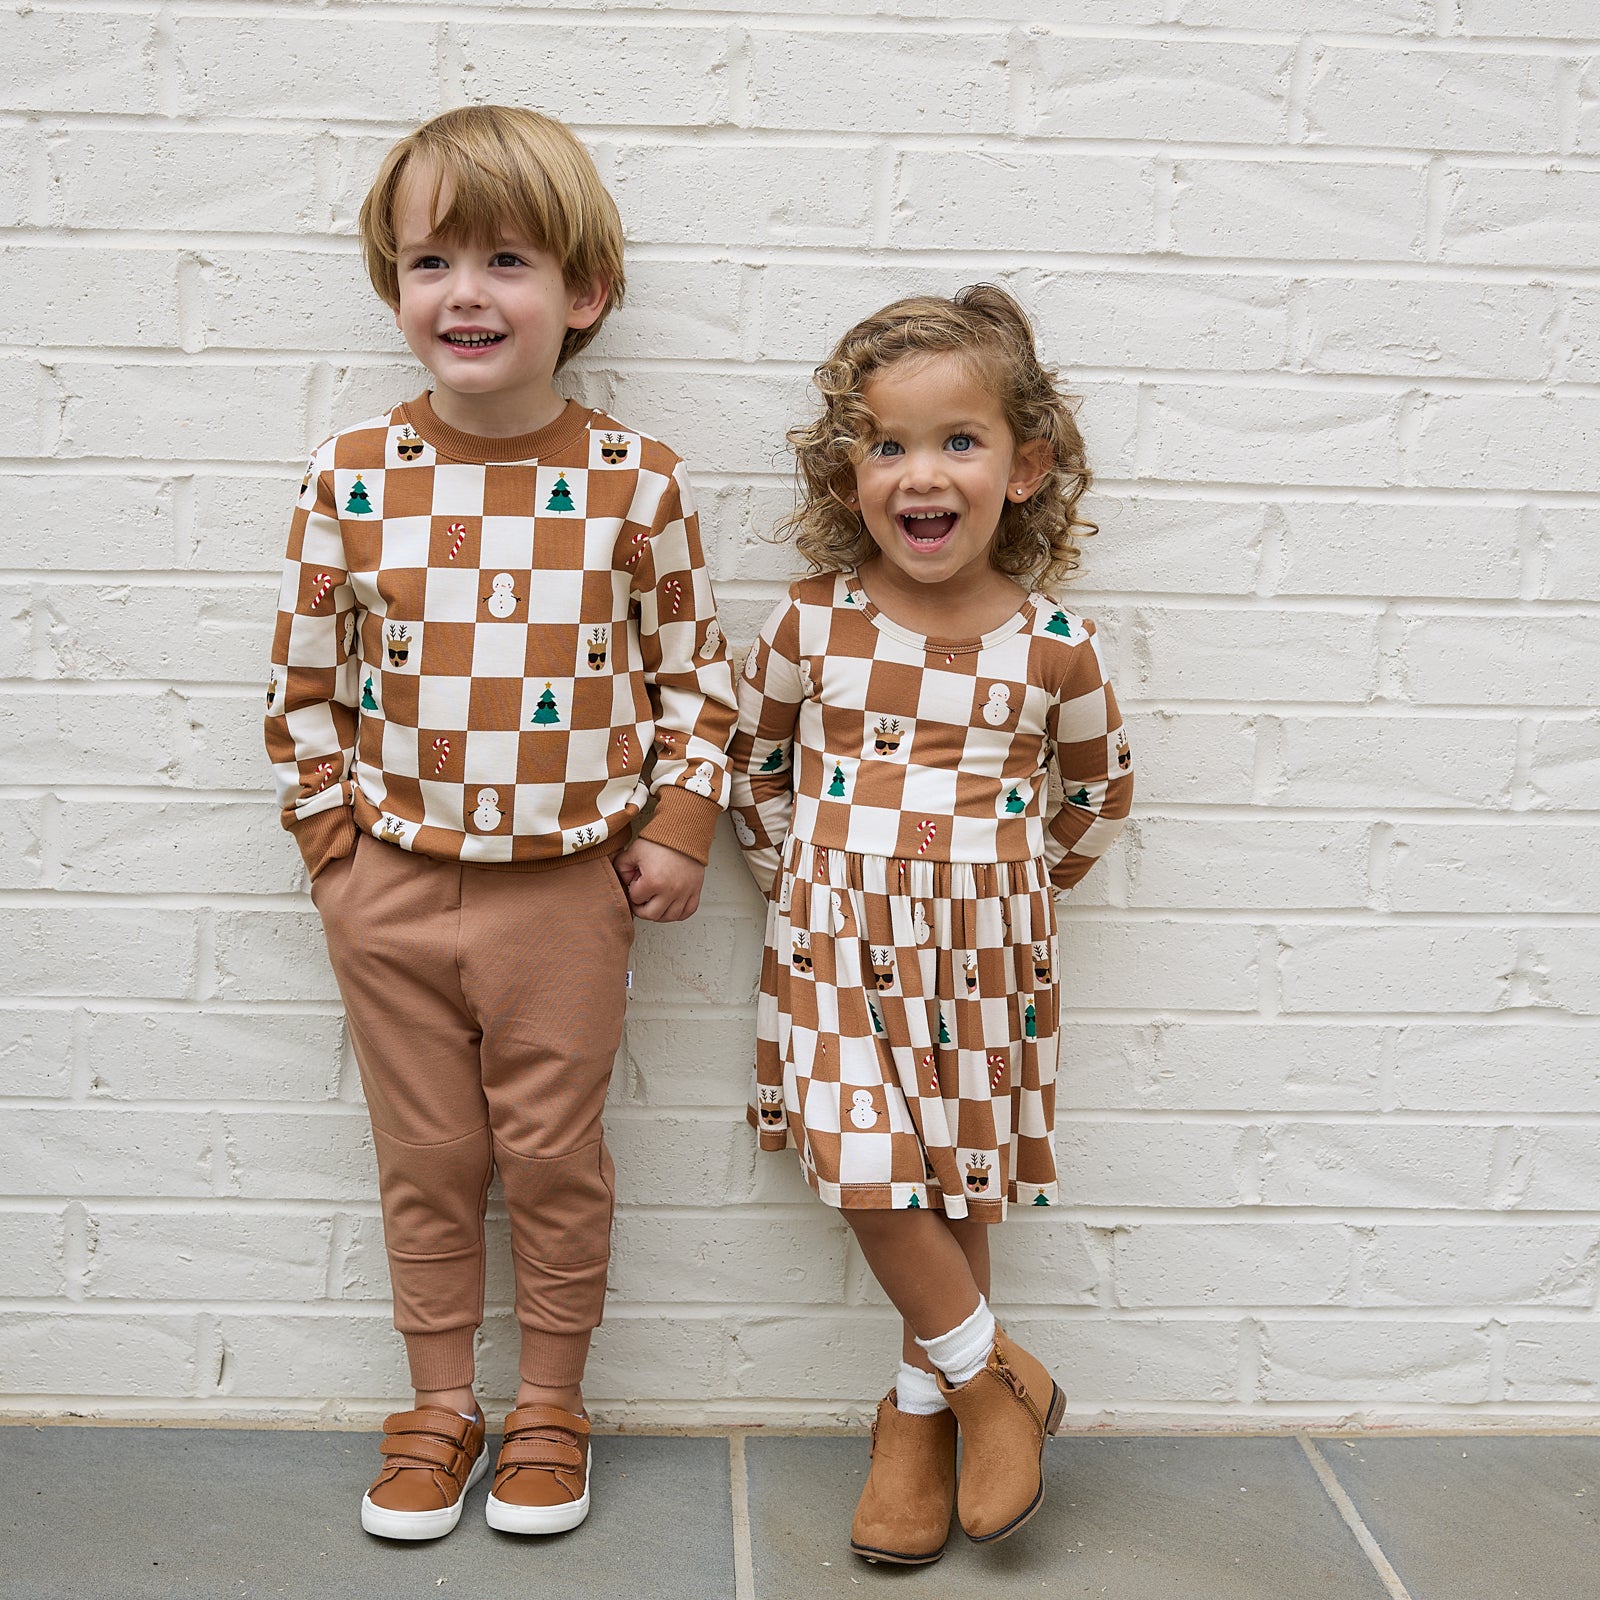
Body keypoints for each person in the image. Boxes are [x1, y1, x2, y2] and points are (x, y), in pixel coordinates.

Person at [264, 105, 737, 1541]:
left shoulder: (633, 481)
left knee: (550, 1155)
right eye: (430, 262)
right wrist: (333, 848)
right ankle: (435, 1406)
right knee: (427, 1156)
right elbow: (301, 687)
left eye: (508, 259)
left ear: (582, 294)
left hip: (566, 893)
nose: (465, 292)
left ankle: (547, 1402)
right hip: (389, 883)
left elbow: (695, 677)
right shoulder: (353, 476)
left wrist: (676, 825)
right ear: (393, 287)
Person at [729, 285, 1133, 1564]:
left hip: (987, 956)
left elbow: (1099, 790)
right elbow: (754, 768)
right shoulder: (814, 621)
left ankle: (915, 1414)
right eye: (887, 444)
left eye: (959, 441)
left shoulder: (1052, 646)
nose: (922, 474)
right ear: (847, 469)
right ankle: (989, 1375)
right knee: (864, 1167)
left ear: (1026, 468)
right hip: (832, 949)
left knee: (957, 1177)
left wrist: (1008, 884)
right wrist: (809, 886)